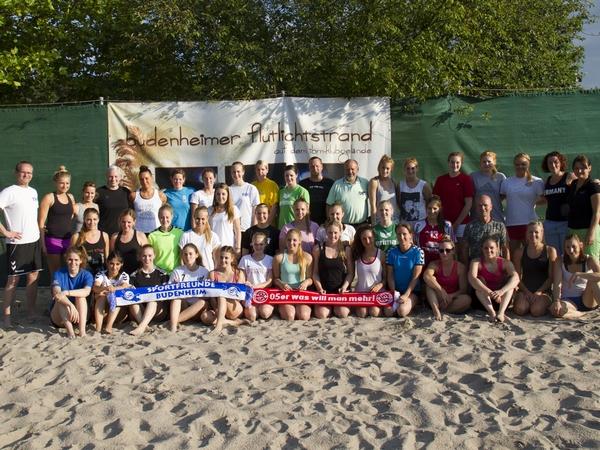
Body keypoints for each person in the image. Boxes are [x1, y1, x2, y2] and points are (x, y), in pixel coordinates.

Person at [0, 161, 42, 326]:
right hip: (17, 243)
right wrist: (6, 232)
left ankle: (31, 312)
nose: (27, 175)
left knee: (33, 277)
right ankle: (6, 317)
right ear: (16, 173)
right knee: (13, 280)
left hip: (34, 241)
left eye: (30, 172)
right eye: (23, 172)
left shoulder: (33, 191)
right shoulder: (9, 192)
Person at [501, 153, 544, 260]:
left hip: (530, 224)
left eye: (523, 164)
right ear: (514, 165)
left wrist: (532, 203)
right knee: (513, 256)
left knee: (531, 256)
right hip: (511, 224)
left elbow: (544, 200)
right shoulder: (506, 182)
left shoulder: (537, 181)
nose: (520, 166)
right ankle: (515, 277)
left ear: (528, 164)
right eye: (517, 164)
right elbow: (499, 199)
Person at [38, 166, 76, 280]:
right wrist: (42, 244)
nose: (65, 186)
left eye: (67, 183)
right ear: (56, 183)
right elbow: (40, 222)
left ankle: (68, 296)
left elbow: (72, 216)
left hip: (68, 240)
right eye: (62, 183)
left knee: (70, 271)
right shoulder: (49, 198)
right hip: (52, 240)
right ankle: (56, 297)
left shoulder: (71, 197)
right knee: (56, 273)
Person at [468, 238, 520, 323]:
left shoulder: (504, 262)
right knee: (478, 288)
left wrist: (501, 292)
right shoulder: (476, 262)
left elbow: (516, 278)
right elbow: (472, 279)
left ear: (497, 249)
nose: (489, 250)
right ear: (482, 249)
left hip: (501, 300)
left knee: (510, 287)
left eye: (491, 248)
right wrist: (490, 293)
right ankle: (492, 313)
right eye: (486, 248)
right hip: (483, 301)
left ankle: (501, 313)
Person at [513, 221, 557, 317]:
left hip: (544, 291)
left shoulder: (550, 251)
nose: (533, 234)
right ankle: (527, 302)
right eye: (530, 232)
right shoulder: (519, 252)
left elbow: (551, 278)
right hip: (525, 290)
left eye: (536, 232)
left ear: (542, 233)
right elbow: (516, 278)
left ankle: (538, 303)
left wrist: (539, 292)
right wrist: (526, 292)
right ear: (526, 234)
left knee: (536, 311)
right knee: (520, 309)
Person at [550, 234, 600, 318]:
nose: (571, 250)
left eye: (574, 246)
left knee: (593, 280)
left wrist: (580, 274)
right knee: (556, 311)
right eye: (568, 247)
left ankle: (576, 312)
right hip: (569, 300)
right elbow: (557, 284)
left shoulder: (589, 260)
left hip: (587, 298)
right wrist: (556, 301)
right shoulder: (560, 261)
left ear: (580, 245)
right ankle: (581, 314)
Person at [422, 237, 471, 320]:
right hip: (437, 297)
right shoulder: (434, 264)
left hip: (452, 298)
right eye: (441, 250)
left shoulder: (460, 267)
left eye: (447, 250)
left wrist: (450, 296)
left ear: (453, 251)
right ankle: (435, 310)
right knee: (430, 282)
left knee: (467, 300)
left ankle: (442, 310)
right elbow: (426, 276)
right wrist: (441, 290)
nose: (444, 253)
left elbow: (463, 289)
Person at [312, 222, 354, 319]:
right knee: (321, 314)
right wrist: (319, 288)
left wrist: (344, 287)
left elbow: (351, 273)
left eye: (335, 232)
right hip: (324, 291)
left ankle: (335, 308)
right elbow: (315, 273)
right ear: (326, 232)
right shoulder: (318, 249)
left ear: (340, 233)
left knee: (342, 313)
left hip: (340, 291)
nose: (333, 235)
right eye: (330, 232)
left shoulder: (346, 249)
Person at [50, 246, 93, 338]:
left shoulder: (87, 274)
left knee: (80, 297)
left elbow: (86, 292)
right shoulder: (59, 273)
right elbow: (56, 294)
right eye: (70, 259)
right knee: (61, 300)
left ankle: (82, 332)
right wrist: (70, 305)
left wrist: (67, 292)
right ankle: (70, 332)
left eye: (76, 260)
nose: (73, 263)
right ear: (66, 260)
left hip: (80, 315)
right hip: (61, 318)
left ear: (81, 260)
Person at [203, 246, 248, 333]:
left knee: (221, 294)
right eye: (221, 257)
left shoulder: (238, 273)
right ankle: (231, 322)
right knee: (204, 317)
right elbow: (211, 296)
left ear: (232, 259)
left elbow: (239, 297)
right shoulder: (213, 274)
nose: (223, 260)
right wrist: (216, 308)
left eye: (226, 258)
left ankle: (219, 326)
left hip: (234, 307)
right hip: (218, 307)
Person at [273, 229, 314, 321]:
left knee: (304, 316)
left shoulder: (307, 257)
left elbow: (310, 279)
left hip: (301, 293)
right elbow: (275, 279)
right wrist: (281, 284)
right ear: (285, 240)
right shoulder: (279, 258)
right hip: (285, 293)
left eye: (294, 240)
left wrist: (306, 283)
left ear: (300, 241)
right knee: (289, 316)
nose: (291, 243)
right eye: (289, 240)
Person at [168, 243, 210, 332]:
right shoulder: (177, 271)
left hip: (198, 308)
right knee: (176, 298)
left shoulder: (205, 272)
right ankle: (173, 326)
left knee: (202, 302)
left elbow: (208, 294)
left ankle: (174, 321)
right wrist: (175, 288)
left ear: (196, 255)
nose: (188, 256)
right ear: (182, 255)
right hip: (184, 305)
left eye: (190, 254)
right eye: (185, 254)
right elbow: (169, 292)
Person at [129, 245, 169, 336]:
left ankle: (141, 327)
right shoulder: (134, 276)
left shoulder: (162, 274)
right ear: (140, 257)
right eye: (144, 256)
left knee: (152, 300)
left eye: (150, 255)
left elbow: (165, 296)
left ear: (154, 256)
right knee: (132, 301)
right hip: (140, 312)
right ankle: (143, 326)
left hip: (158, 310)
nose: (147, 258)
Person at [433, 152, 474, 239]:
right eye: (452, 162)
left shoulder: (466, 179)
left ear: (461, 163)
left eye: (457, 162)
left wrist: (456, 224)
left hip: (462, 224)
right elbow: (435, 202)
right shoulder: (440, 180)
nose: (454, 165)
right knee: (444, 249)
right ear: (448, 163)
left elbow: (468, 203)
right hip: (443, 223)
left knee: (462, 251)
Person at [386, 223, 424, 317]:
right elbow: (390, 275)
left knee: (401, 311)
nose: (401, 237)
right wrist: (394, 292)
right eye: (399, 234)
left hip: (412, 291)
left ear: (411, 235)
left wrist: (406, 295)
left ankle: (415, 303)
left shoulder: (418, 252)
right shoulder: (391, 252)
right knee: (388, 312)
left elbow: (416, 277)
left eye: (404, 234)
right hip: (396, 290)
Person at [542, 152, 576, 255]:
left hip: (566, 223)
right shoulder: (547, 181)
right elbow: (543, 200)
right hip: (550, 223)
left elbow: (583, 184)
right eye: (550, 163)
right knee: (554, 255)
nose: (553, 165)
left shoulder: (569, 176)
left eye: (556, 162)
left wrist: (596, 182)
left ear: (561, 163)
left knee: (567, 254)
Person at [567, 155, 600, 259]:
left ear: (589, 168)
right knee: (577, 262)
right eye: (576, 168)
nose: (580, 171)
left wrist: (591, 232)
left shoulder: (593, 186)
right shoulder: (573, 185)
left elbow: (597, 212)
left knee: (591, 263)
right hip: (573, 231)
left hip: (588, 230)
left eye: (583, 167)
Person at [460, 194, 509, 265]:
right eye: (480, 205)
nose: (482, 208)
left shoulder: (500, 226)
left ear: (491, 207)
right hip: (476, 266)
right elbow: (465, 249)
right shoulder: (470, 226)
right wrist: (467, 268)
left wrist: (506, 267)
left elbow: (505, 249)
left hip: (495, 266)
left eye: (485, 205)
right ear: (476, 208)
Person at [93, 251, 133, 333]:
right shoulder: (101, 274)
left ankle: (109, 326)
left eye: (117, 264)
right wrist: (106, 288)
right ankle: (98, 328)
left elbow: (124, 286)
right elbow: (95, 288)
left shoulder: (124, 275)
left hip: (119, 313)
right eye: (112, 263)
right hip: (103, 311)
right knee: (101, 297)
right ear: (107, 263)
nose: (114, 267)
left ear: (121, 264)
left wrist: (113, 288)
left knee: (116, 297)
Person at [352, 224, 387, 318]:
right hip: (361, 292)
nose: (367, 241)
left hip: (376, 292)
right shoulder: (357, 254)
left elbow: (386, 278)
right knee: (362, 313)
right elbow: (350, 274)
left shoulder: (381, 254)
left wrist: (380, 285)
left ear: (374, 237)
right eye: (364, 239)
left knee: (374, 312)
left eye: (370, 238)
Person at [239, 232, 274, 321]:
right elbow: (241, 278)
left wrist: (255, 287)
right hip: (249, 293)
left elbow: (269, 282)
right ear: (252, 244)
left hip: (265, 293)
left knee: (265, 313)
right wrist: (245, 284)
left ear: (266, 244)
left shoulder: (270, 259)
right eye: (256, 244)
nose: (258, 247)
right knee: (252, 316)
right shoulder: (245, 259)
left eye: (261, 244)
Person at [413, 195, 454, 268]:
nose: (432, 211)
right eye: (429, 208)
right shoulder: (418, 225)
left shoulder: (447, 225)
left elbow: (453, 247)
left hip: (442, 265)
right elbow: (414, 246)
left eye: (435, 208)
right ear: (425, 208)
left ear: (440, 209)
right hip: (423, 264)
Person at [326, 159, 369, 227]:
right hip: (343, 226)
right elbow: (329, 204)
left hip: (362, 225)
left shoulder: (365, 183)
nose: (350, 172)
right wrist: (330, 221)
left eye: (352, 169)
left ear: (357, 169)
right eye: (347, 169)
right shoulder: (337, 184)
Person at [179, 206, 221, 271]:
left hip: (208, 272)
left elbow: (217, 258)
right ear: (194, 218)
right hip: (190, 273)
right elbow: (182, 258)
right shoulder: (186, 235)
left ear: (207, 219)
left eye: (203, 219)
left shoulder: (213, 236)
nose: (200, 221)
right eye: (197, 218)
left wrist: (214, 273)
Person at [70, 208, 110, 276]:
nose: (92, 222)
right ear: (84, 220)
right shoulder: (76, 237)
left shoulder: (104, 236)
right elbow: (71, 258)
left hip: (101, 275)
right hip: (83, 275)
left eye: (94, 219)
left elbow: (107, 259)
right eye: (89, 219)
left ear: (98, 220)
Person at [109, 209, 149, 275]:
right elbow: (112, 258)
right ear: (120, 222)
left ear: (134, 222)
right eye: (123, 222)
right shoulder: (115, 237)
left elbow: (147, 256)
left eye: (129, 222)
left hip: (137, 275)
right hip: (120, 276)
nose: (126, 225)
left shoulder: (141, 236)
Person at [470, 151, 506, 223]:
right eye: (484, 162)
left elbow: (504, 196)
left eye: (489, 161)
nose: (486, 164)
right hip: (477, 219)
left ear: (494, 162)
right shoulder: (473, 176)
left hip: (497, 218)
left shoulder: (500, 177)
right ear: (480, 163)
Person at [130, 165, 167, 234]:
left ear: (151, 178)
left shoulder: (161, 196)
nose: (144, 181)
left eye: (146, 178)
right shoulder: (133, 195)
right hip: (139, 233)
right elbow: (131, 214)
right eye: (141, 179)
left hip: (156, 233)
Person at [96, 165, 131, 236]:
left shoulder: (126, 192)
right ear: (106, 177)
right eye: (110, 176)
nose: (113, 179)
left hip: (123, 233)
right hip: (104, 234)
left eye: (116, 176)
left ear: (120, 177)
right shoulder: (99, 192)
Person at [148, 204, 183, 273]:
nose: (164, 220)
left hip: (176, 273)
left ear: (172, 217)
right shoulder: (152, 235)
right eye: (162, 217)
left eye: (167, 217)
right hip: (159, 273)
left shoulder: (180, 233)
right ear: (158, 217)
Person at [300, 156, 334, 226]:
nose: (315, 168)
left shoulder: (330, 183)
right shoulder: (302, 184)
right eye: (312, 166)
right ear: (309, 168)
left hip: (326, 222)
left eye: (317, 166)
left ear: (322, 167)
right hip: (308, 222)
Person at [398, 157, 431, 226]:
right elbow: (398, 202)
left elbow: (429, 202)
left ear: (417, 169)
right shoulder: (400, 185)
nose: (410, 171)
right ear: (404, 169)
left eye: (413, 168)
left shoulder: (424, 185)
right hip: (405, 223)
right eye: (408, 168)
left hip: (421, 223)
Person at [209, 183, 241, 253]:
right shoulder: (209, 210)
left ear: (228, 195)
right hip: (214, 248)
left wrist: (238, 247)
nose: (220, 196)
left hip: (228, 248)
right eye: (218, 194)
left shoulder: (233, 209)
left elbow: (237, 230)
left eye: (223, 194)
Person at [229, 161, 260, 232]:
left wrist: (253, 229)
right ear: (231, 173)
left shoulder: (251, 188)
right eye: (234, 172)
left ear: (243, 172)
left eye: (238, 171)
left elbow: (255, 210)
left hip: (247, 229)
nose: (236, 174)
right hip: (232, 230)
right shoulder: (228, 190)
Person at [368, 155, 399, 224]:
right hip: (380, 221)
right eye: (383, 167)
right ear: (379, 167)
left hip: (394, 221)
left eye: (387, 168)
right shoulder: (374, 182)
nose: (385, 170)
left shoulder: (394, 182)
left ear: (391, 169)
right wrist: (374, 223)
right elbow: (373, 205)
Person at [278, 164, 310, 228]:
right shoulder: (281, 192)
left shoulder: (302, 191)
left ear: (296, 175)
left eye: (291, 175)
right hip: (282, 228)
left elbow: (306, 213)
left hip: (295, 228)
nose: (289, 178)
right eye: (286, 176)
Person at [252, 160, 279, 225]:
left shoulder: (273, 185)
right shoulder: (252, 186)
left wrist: (267, 223)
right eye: (258, 169)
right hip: (255, 223)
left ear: (267, 170)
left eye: (262, 169)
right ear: (255, 171)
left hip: (269, 223)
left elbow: (274, 207)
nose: (260, 172)